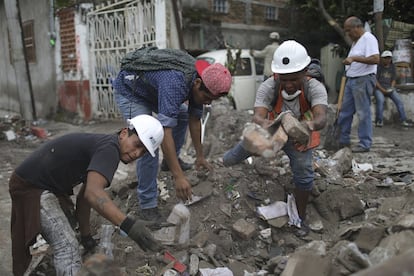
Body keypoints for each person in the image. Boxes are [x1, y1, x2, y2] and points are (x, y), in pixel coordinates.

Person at [9, 115, 164, 276]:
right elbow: (93, 193)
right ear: (124, 133)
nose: (137, 153)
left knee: (70, 232)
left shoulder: (107, 146)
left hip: (44, 186)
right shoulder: (110, 149)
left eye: (143, 152)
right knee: (67, 246)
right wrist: (128, 225)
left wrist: (86, 236)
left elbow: (84, 197)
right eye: (137, 145)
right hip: (31, 187)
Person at [112, 48, 232, 221]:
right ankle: (147, 204)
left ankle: (170, 162)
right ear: (197, 83)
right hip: (132, 91)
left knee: (182, 115)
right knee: (147, 142)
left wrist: (200, 157)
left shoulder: (198, 83)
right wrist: (179, 177)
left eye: (212, 100)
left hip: (153, 91)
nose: (208, 102)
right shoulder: (176, 82)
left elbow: (194, 120)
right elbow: (165, 131)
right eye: (207, 98)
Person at [223, 40, 328, 236]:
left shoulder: (314, 87)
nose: (288, 85)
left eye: (294, 79)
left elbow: (321, 117)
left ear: (305, 72)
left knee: (304, 174)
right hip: (273, 130)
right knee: (243, 147)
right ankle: (222, 167)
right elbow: (257, 117)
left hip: (300, 137)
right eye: (284, 79)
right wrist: (273, 125)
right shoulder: (269, 86)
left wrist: (306, 126)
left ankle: (299, 219)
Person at [338, 16, 380, 153]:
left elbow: (375, 59)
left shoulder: (368, 38)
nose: (348, 33)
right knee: (345, 112)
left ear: (357, 27)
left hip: (363, 79)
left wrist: (354, 58)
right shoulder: (356, 42)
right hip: (352, 80)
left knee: (363, 113)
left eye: (349, 30)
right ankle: (343, 140)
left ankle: (365, 143)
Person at [374, 50, 410, 127]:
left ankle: (403, 120)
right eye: (385, 58)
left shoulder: (393, 67)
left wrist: (391, 88)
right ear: (382, 58)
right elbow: (375, 81)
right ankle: (379, 121)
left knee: (399, 101)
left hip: (389, 88)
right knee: (380, 101)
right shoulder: (378, 67)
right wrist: (382, 90)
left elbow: (393, 79)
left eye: (389, 58)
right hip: (379, 88)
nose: (387, 59)